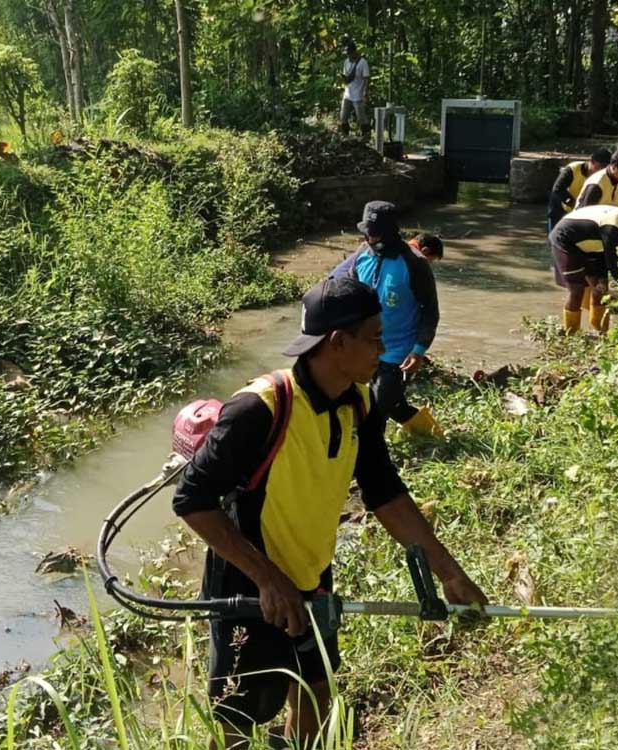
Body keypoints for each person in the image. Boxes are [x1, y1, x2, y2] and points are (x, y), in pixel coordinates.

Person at [172, 276, 487, 750]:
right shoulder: (260, 409)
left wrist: (450, 573)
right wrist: (269, 580)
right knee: (238, 720)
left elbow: (384, 493)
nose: (383, 349)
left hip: (313, 576)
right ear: (338, 343)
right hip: (250, 587)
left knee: (316, 694)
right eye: (376, 338)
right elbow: (192, 500)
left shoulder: (360, 404)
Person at [331, 201, 442, 437]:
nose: (368, 238)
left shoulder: (415, 264)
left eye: (373, 233)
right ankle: (431, 434)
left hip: (397, 353)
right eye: (366, 232)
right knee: (390, 404)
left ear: (389, 232)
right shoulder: (362, 255)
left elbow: (430, 311)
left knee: (375, 414)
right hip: (362, 346)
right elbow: (347, 293)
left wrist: (419, 349)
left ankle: (363, 466)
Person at [550, 201, 618, 334]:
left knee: (601, 288)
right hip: (565, 240)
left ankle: (599, 329)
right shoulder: (614, 226)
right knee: (577, 289)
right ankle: (571, 332)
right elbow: (613, 260)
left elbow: (605, 255)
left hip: (591, 244)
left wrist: (602, 279)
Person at [547, 148, 612, 232]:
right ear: (591, 161)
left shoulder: (605, 177)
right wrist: (574, 204)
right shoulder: (573, 169)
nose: (600, 171)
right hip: (561, 207)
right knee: (554, 235)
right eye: (599, 167)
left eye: (604, 169)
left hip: (582, 210)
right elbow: (558, 189)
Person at [338, 41, 370, 138]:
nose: (348, 55)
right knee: (343, 117)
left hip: (358, 95)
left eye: (349, 53)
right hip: (348, 93)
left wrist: (365, 93)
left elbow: (366, 79)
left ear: (354, 52)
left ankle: (366, 136)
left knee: (361, 117)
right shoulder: (346, 62)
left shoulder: (363, 63)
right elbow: (346, 77)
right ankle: (345, 136)